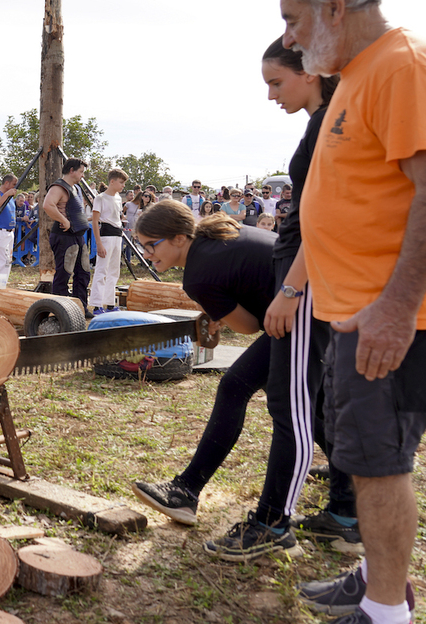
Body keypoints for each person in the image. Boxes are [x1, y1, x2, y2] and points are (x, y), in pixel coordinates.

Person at [282, 1, 426, 622]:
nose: (289, 36)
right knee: (366, 462)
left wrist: (397, 307)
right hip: (356, 310)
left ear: (336, 8)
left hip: (387, 317)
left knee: (381, 463)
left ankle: (385, 611)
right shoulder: (359, 72)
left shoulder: (401, 64)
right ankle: (377, 577)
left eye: (294, 18)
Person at [131, 203, 310, 562]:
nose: (147, 254)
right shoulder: (221, 234)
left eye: (152, 244)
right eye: (142, 246)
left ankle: (193, 492)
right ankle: (347, 488)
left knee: (277, 404)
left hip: (304, 313)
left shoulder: (198, 273)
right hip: (307, 305)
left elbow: (249, 326)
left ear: (179, 237)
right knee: (277, 397)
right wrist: (220, 308)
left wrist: (220, 311)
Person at [259, 36, 359, 555]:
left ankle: (274, 523)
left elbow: (326, 217)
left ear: (310, 73)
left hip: (305, 273)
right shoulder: (322, 120)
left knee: (291, 401)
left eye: (277, 82)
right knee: (314, 397)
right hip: (303, 269)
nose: (271, 95)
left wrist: (291, 288)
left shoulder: (329, 123)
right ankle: (344, 510)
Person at [42, 158, 91, 314]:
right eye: (81, 172)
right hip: (64, 236)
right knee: (64, 272)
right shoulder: (58, 187)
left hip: (78, 235)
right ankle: (60, 311)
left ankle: (80, 307)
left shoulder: (75, 188)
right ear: (71, 170)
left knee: (83, 272)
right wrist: (63, 220)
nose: (82, 175)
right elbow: (47, 205)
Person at [88, 169, 128, 315]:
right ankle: (97, 305)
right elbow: (95, 221)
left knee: (114, 271)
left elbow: (117, 217)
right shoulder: (100, 198)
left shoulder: (118, 198)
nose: (123, 186)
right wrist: (98, 243)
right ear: (112, 181)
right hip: (106, 236)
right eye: (121, 182)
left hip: (118, 236)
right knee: (101, 270)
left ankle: (110, 303)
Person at [0, 174, 18, 289]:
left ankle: (2, 285)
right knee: (1, 261)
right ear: (6, 183)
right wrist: (6, 195)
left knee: (7, 261)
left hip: (9, 232)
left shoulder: (10, 197)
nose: (15, 187)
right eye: (13, 184)